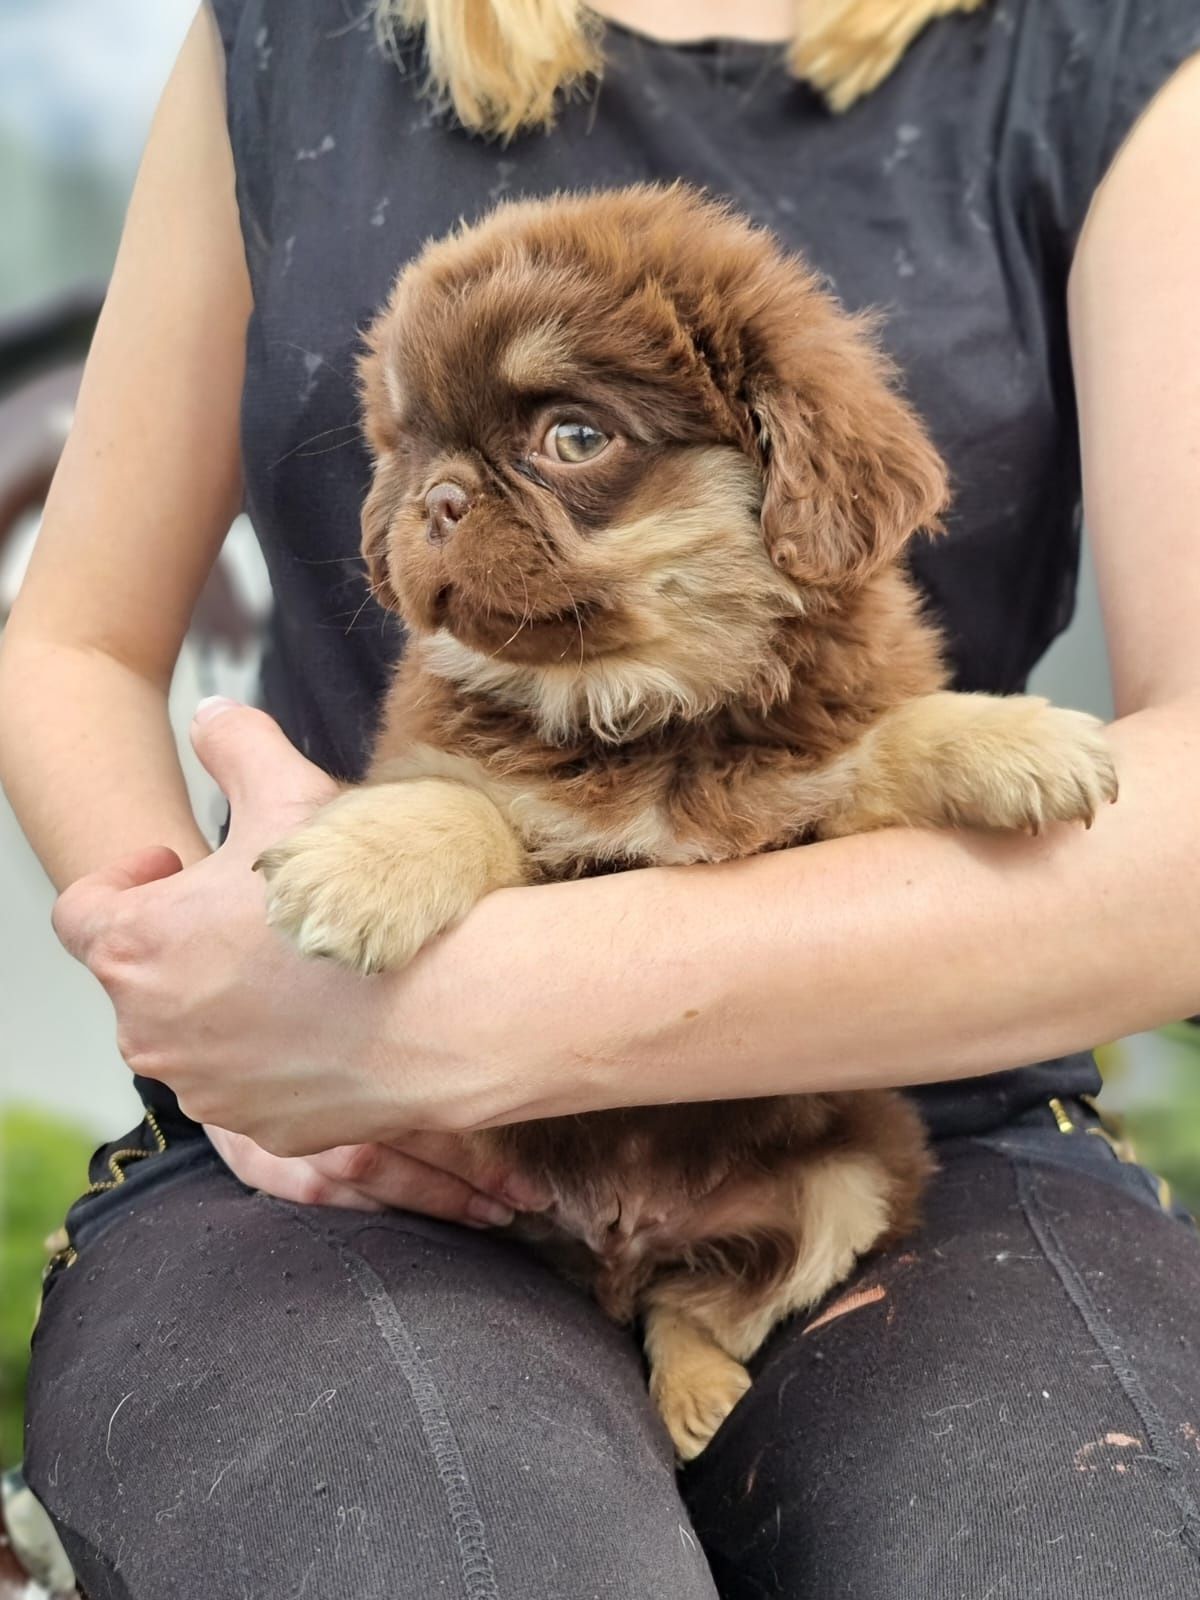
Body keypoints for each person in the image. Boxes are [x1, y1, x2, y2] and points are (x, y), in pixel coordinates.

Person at [2, 0, 1200, 1594]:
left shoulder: (1106, 44)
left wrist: (513, 1001)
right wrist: (207, 1001)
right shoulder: (287, 30)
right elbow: (70, 639)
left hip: (893, 1117)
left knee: (1081, 1547)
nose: (437, 506)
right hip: (359, 1127)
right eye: (416, 458)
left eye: (567, 434)